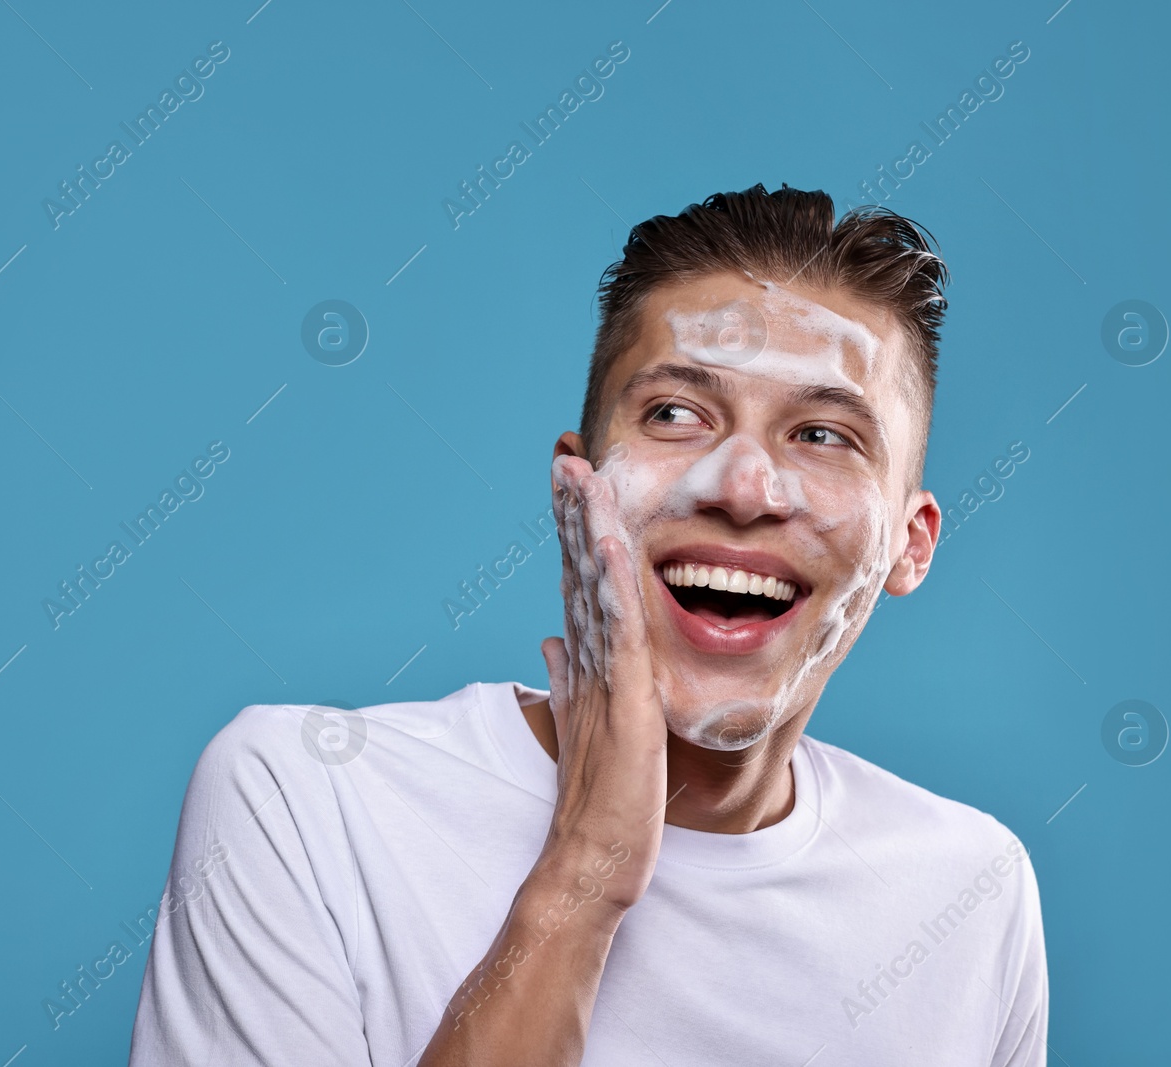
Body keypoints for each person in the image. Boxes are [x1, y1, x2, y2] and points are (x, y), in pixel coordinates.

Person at [128, 183, 1048, 1066]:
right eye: (677, 413)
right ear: (577, 484)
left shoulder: (969, 891)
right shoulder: (306, 798)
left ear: (909, 544)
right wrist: (584, 869)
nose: (742, 486)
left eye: (823, 434)